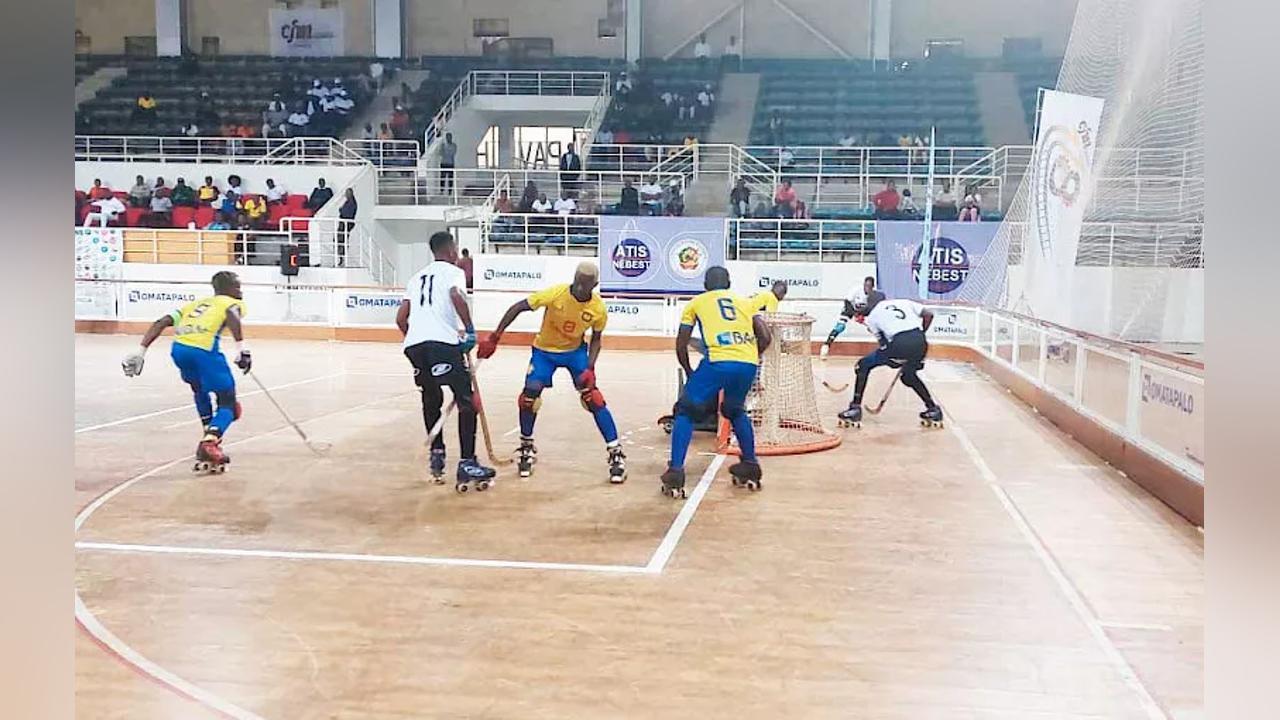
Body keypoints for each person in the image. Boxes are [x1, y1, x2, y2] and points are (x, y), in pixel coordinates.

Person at [477, 262, 627, 483]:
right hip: (544, 352)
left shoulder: (598, 309)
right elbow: (518, 307)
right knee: (529, 396)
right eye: (577, 283)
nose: (578, 289)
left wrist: (590, 367)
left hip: (574, 353)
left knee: (592, 396)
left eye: (584, 285)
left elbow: (596, 339)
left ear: (593, 285)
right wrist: (495, 336)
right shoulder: (555, 294)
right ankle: (527, 445)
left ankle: (615, 453)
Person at [120, 271, 251, 473]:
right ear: (226, 289)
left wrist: (141, 351)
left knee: (199, 390)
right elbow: (232, 314)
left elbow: (161, 322)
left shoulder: (197, 305)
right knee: (230, 405)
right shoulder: (230, 302)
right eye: (237, 286)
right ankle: (210, 441)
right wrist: (242, 350)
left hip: (179, 350)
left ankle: (207, 436)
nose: (240, 291)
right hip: (204, 351)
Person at [394, 231, 494, 488]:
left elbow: (401, 319)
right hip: (443, 343)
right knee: (466, 401)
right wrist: (470, 330)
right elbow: (456, 296)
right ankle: (467, 462)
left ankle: (436, 456)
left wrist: (417, 338)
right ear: (451, 251)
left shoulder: (416, 277)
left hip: (414, 347)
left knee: (431, 399)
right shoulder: (453, 272)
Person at [663, 266, 772, 498]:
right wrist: (750, 354)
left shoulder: (696, 303)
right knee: (734, 409)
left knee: (685, 410)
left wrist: (689, 370)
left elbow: (681, 342)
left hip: (718, 360)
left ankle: (675, 471)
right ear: (729, 283)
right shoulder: (745, 302)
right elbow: (765, 336)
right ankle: (750, 465)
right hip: (747, 363)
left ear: (705, 285)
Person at [835, 296, 942, 428]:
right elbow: (929, 314)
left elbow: (883, 345)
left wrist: (894, 360)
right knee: (908, 376)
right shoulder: (903, 301)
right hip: (921, 342)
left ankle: (855, 408)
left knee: (862, 365)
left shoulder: (873, 317)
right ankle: (933, 409)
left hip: (900, 344)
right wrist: (921, 333)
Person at [823, 276, 887, 354]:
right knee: (840, 326)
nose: (867, 288)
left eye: (869, 287)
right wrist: (854, 314)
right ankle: (826, 345)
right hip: (850, 309)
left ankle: (885, 347)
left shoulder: (875, 295)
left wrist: (864, 319)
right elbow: (847, 303)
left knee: (876, 328)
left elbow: (871, 309)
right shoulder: (856, 290)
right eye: (866, 286)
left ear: (873, 287)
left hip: (862, 313)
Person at [337, 188, 357, 266]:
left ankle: (342, 258)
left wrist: (341, 210)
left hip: (346, 225)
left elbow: (346, 213)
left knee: (342, 241)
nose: (345, 195)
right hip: (343, 224)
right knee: (339, 241)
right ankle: (340, 258)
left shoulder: (352, 203)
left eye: (347, 193)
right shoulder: (349, 202)